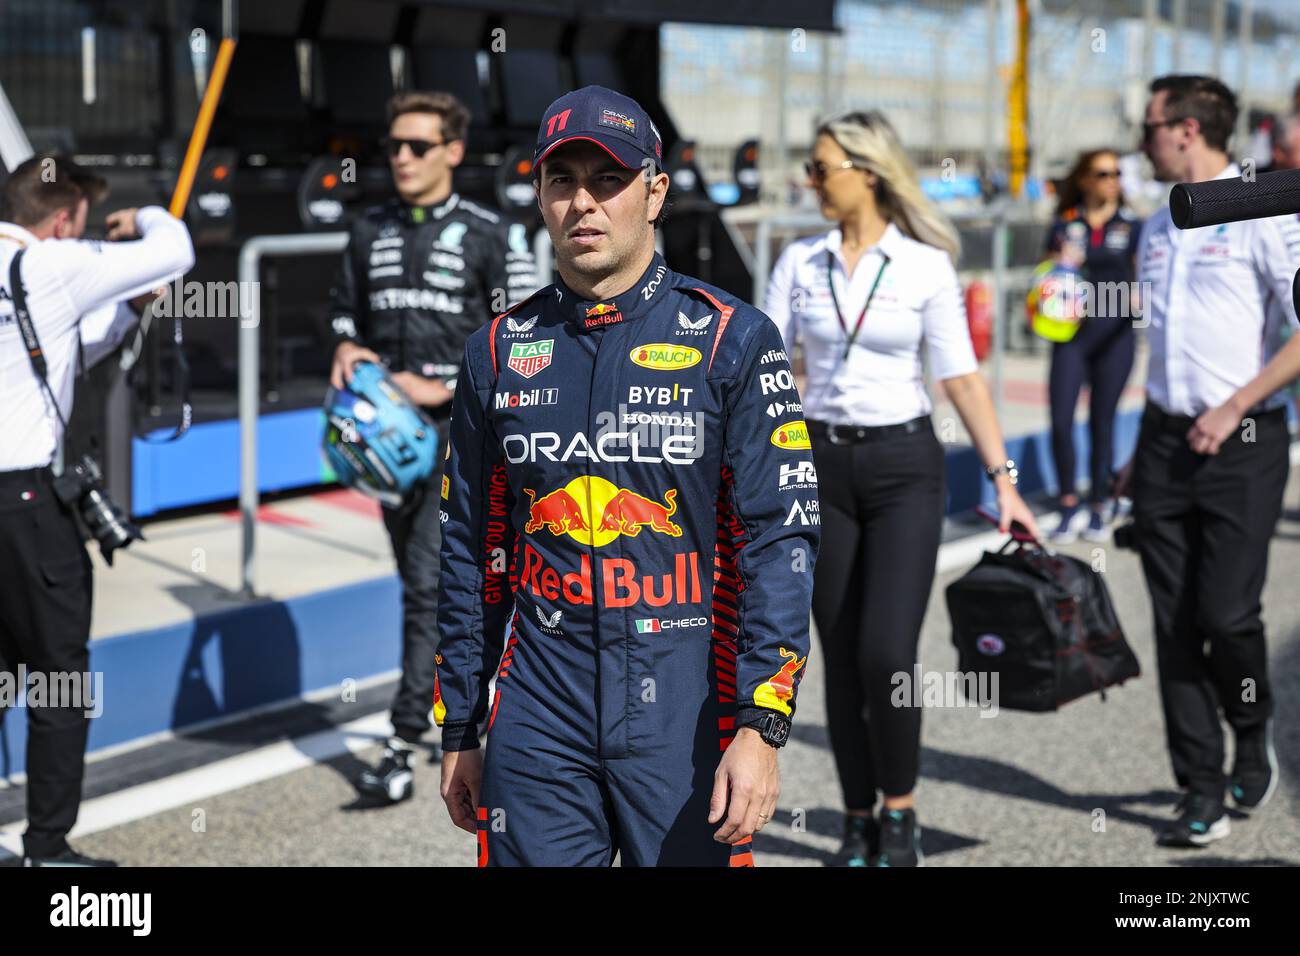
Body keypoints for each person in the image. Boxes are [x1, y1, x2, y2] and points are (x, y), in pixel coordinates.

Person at [435, 85, 819, 866]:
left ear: (655, 192)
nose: (583, 203)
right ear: (539, 197)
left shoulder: (732, 340)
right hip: (541, 707)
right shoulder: (499, 351)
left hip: (683, 708)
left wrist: (761, 724)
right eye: (561, 180)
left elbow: (780, 541)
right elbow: (471, 549)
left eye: (607, 180)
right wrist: (461, 725)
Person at [764, 110, 1039, 867]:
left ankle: (901, 810)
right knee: (841, 655)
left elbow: (961, 379)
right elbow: (765, 372)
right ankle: (856, 820)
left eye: (822, 167)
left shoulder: (924, 266)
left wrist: (1005, 484)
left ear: (868, 172)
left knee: (888, 653)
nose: (810, 180)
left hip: (904, 469)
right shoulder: (800, 261)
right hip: (818, 466)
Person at [328, 91, 536, 804]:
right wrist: (348, 346)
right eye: (393, 147)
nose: (402, 159)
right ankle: (467, 711)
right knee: (430, 588)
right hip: (386, 444)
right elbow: (339, 310)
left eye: (418, 146)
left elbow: (520, 342)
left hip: (460, 436)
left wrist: (442, 385)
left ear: (452, 150)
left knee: (428, 587)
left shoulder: (488, 232)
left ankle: (406, 734)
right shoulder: (366, 228)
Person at [0, 155, 194, 866]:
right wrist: (141, 220)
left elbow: (51, 351)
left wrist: (124, 312)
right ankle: (47, 845)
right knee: (59, 675)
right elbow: (174, 251)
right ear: (65, 218)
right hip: (25, 504)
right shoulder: (53, 263)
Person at [1122, 74, 1300, 847]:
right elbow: (1157, 349)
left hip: (1246, 440)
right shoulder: (1155, 226)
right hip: (1164, 442)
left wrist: (1233, 406)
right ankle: (1199, 785)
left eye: (1151, 126)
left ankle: (1251, 724)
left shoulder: (1267, 207)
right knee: (1172, 623)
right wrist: (1136, 450)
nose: (1143, 140)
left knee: (1226, 613)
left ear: (1188, 129)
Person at [1042, 150, 1141, 543]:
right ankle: (1069, 504)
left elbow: (1144, 277)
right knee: (1062, 420)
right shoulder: (1065, 224)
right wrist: (1059, 266)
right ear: (1084, 179)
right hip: (1070, 336)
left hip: (1116, 336)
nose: (1111, 180)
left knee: (1103, 419)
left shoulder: (1133, 225)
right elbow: (1045, 277)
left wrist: (1138, 301)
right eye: (1102, 173)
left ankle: (1099, 504)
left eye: (1116, 173)